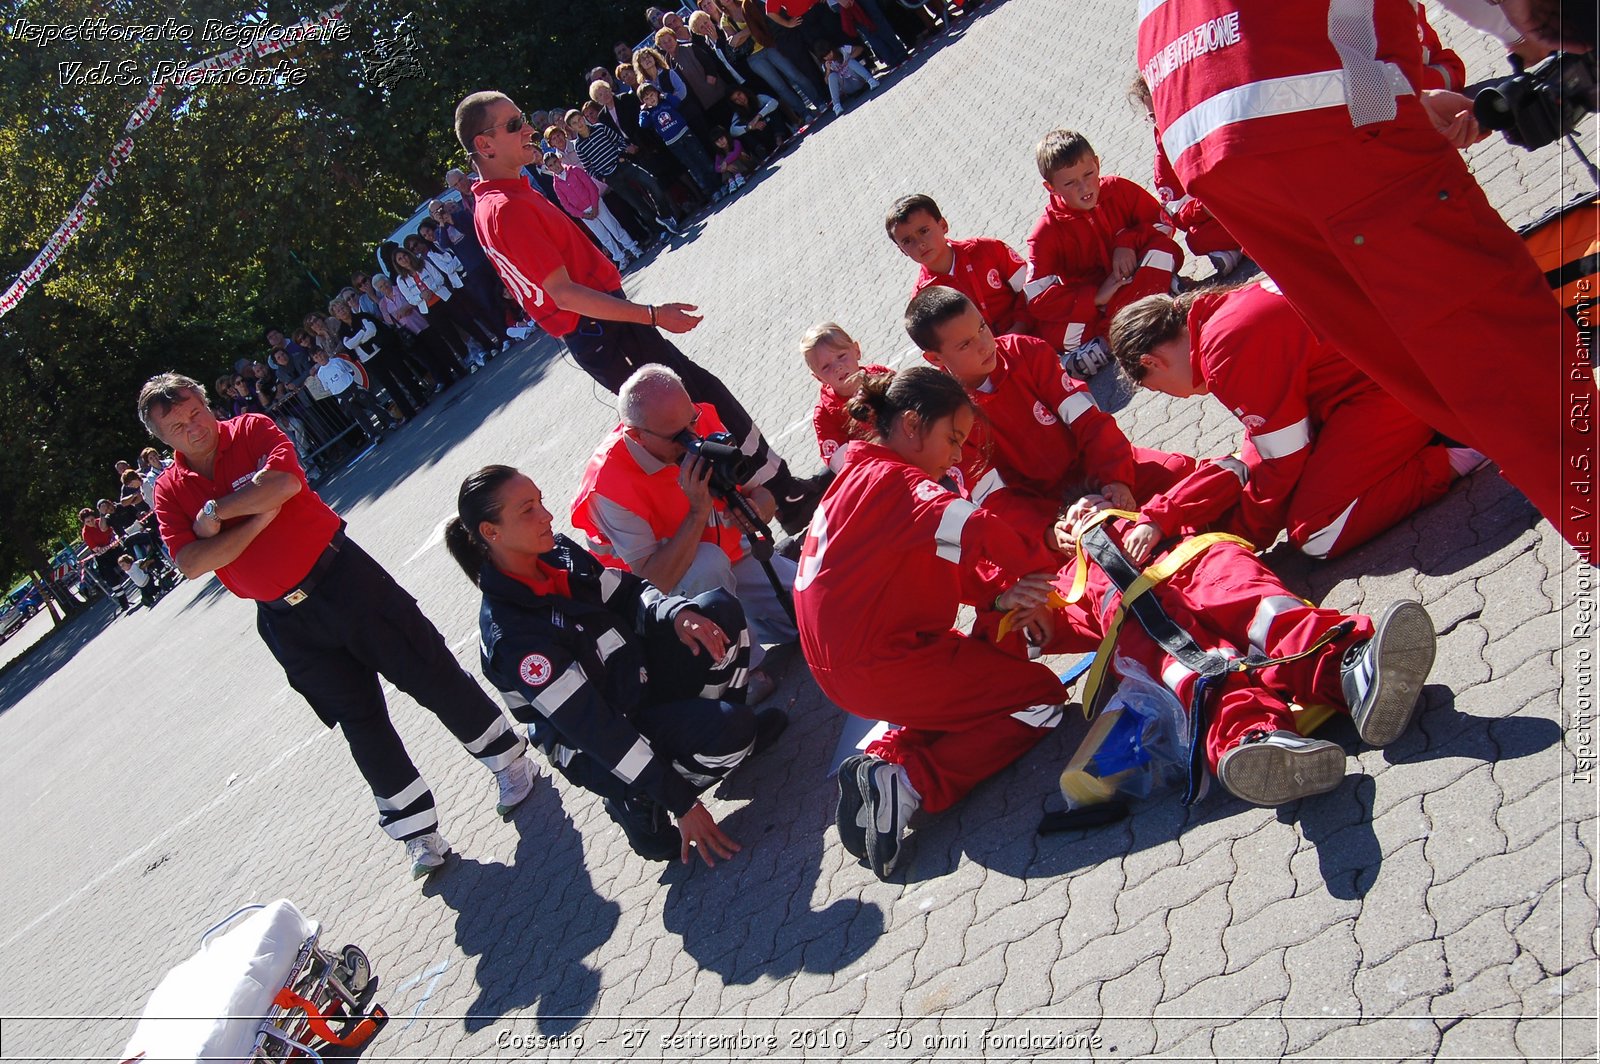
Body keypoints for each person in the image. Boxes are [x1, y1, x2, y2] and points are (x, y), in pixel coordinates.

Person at [1134, 0, 1598, 554]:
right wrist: (1529, 32)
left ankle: (1500, 444)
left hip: (1210, 137)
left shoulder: (1229, 344)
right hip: (1301, 102)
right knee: (1516, 379)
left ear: (1153, 363)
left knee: (1471, 384)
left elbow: (1275, 455)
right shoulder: (1227, 333)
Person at [139, 374, 535, 878]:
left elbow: (284, 484)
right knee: (360, 723)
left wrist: (218, 514)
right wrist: (260, 514)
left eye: (194, 411)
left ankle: (509, 762)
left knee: (427, 671)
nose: (191, 427)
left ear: (205, 402)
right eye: (176, 426)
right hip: (287, 620)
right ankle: (417, 833)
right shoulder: (171, 492)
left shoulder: (252, 430)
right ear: (163, 438)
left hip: (345, 579)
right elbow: (192, 562)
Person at [456, 90, 827, 532]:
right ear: (485, 144)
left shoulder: (502, 196)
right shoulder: (504, 207)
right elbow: (563, 294)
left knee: (697, 412)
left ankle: (773, 499)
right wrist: (652, 314)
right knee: (694, 415)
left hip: (604, 329)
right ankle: (771, 505)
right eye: (514, 124)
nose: (529, 129)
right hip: (603, 331)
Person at [793, 367, 1070, 879]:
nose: (959, 455)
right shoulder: (898, 482)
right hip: (882, 664)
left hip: (852, 668)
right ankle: (911, 783)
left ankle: (884, 764)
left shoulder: (857, 476)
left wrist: (998, 593)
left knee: (977, 683)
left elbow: (939, 560)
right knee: (1041, 700)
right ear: (914, 425)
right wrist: (1049, 559)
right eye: (954, 438)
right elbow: (979, 526)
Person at [448, 465, 788, 864]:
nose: (547, 516)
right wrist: (683, 805)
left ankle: (720, 743)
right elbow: (594, 729)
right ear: (492, 532)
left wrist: (677, 613)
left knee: (717, 612)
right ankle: (644, 804)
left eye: (540, 501)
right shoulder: (515, 638)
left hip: (629, 685)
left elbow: (628, 593)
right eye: (528, 510)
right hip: (597, 740)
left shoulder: (557, 552)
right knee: (733, 729)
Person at [1037, 492, 1438, 807]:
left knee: (1265, 613)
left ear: (1116, 499)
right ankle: (1256, 743)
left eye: (1089, 505)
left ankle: (1353, 670)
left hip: (1199, 565)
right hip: (1139, 620)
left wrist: (1158, 514)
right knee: (1198, 672)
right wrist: (1005, 603)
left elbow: (1220, 474)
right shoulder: (1068, 583)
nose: (1081, 516)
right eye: (1068, 519)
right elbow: (1026, 633)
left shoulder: (1151, 505)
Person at [1109, 282, 1483, 560]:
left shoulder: (1223, 352)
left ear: (1151, 363)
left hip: (1392, 387)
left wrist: (1241, 538)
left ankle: (1457, 449)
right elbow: (1266, 438)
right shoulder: (1220, 316)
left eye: (1157, 390)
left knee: (1317, 531)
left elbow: (1284, 461)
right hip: (1386, 369)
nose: (1176, 396)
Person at [908, 286, 1194, 561]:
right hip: (1046, 512)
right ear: (934, 358)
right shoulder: (947, 418)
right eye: (966, 344)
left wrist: (1116, 480)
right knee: (1068, 579)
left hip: (1098, 468)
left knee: (1184, 475)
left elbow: (1091, 423)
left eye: (982, 327)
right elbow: (994, 499)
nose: (984, 344)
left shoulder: (1026, 352)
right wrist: (1048, 532)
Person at [571, 366, 795, 701]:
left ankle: (750, 623)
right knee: (707, 563)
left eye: (692, 419)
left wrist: (758, 510)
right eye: (679, 436)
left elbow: (759, 493)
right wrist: (697, 509)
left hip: (735, 554)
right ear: (636, 435)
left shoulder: (697, 420)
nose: (693, 436)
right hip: (672, 598)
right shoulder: (608, 484)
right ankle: (737, 673)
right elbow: (653, 580)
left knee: (818, 613)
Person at [1024, 128, 1185, 379]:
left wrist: (1127, 242)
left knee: (1163, 251)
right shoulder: (1044, 232)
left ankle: (1109, 343)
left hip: (1135, 276)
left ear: (1097, 163)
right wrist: (1095, 297)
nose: (1084, 186)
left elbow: (1163, 224)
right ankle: (1155, 305)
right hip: (1099, 304)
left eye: (1089, 174)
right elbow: (1037, 298)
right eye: (1070, 183)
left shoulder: (1118, 189)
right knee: (1050, 332)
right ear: (1051, 187)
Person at [1126, 76, 1244, 277]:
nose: (1161, 121)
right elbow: (1178, 216)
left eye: (1164, 108)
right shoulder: (1163, 159)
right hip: (1219, 212)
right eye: (1153, 116)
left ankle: (1237, 249)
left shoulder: (1210, 117)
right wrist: (1204, 208)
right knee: (1197, 239)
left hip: (1249, 194)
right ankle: (1244, 244)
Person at [886, 193, 1038, 340]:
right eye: (907, 241)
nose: (920, 244)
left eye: (924, 231)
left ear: (943, 225)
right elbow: (944, 350)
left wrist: (1020, 326)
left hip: (1034, 334)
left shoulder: (987, 249)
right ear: (901, 250)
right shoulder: (923, 299)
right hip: (987, 362)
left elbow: (1031, 287)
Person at [800, 321, 890, 473]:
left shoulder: (879, 374)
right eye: (826, 367)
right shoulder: (825, 414)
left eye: (841, 356)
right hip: (880, 471)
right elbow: (841, 464)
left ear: (857, 350)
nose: (838, 367)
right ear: (818, 378)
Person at [330, 297, 420, 423]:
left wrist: (357, 340)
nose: (342, 311)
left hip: (383, 351)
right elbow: (349, 345)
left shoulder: (362, 316)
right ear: (336, 316)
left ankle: (421, 400)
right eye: (338, 311)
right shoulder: (342, 331)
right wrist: (362, 333)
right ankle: (408, 412)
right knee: (390, 386)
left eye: (343, 308)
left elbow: (372, 331)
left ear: (348, 307)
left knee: (403, 376)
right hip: (369, 360)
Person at [545, 151, 643, 267]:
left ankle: (633, 248)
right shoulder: (556, 185)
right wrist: (582, 215)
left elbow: (591, 186)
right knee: (603, 237)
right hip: (584, 213)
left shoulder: (574, 170)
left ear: (559, 160)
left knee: (613, 227)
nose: (554, 166)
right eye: (550, 165)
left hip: (595, 203)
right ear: (548, 169)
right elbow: (566, 205)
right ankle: (620, 257)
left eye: (555, 162)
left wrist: (595, 206)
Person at [310, 346, 398, 443]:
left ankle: (391, 421)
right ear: (314, 360)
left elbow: (350, 371)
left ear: (324, 352)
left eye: (320, 354)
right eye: (316, 357)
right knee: (359, 416)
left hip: (352, 388)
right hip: (342, 395)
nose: (320, 357)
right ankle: (374, 435)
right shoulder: (321, 373)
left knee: (372, 405)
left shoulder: (337, 361)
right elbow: (327, 387)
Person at [815, 40, 878, 115]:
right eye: (825, 56)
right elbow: (827, 82)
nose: (828, 57)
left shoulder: (842, 50)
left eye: (829, 53)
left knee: (850, 62)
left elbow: (860, 48)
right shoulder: (826, 64)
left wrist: (848, 58)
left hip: (857, 79)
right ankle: (837, 105)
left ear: (832, 49)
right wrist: (828, 70)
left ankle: (871, 81)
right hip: (846, 87)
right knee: (832, 76)